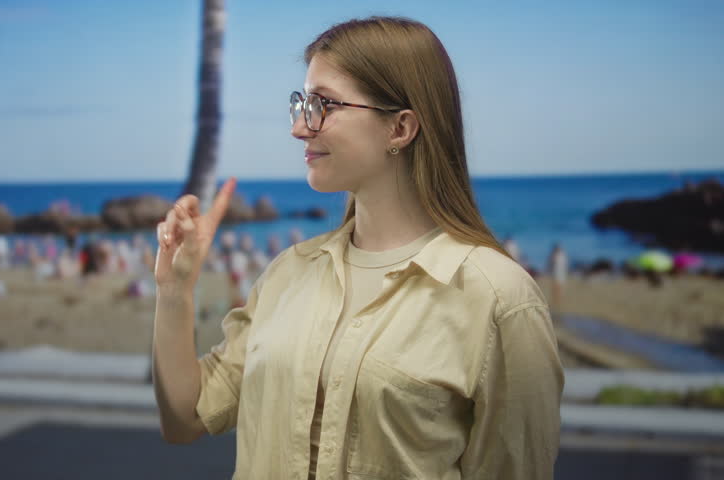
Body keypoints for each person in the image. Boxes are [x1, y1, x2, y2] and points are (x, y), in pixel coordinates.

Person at [152, 17, 563, 480]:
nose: (300, 128)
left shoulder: (500, 299)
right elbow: (185, 419)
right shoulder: (288, 274)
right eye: (302, 103)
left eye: (323, 104)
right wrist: (174, 290)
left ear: (400, 128)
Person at [547, 243, 569, 315]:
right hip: (560, 273)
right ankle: (557, 301)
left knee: (557, 288)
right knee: (558, 287)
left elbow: (551, 263)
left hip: (558, 273)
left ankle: (556, 301)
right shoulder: (563, 255)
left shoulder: (557, 255)